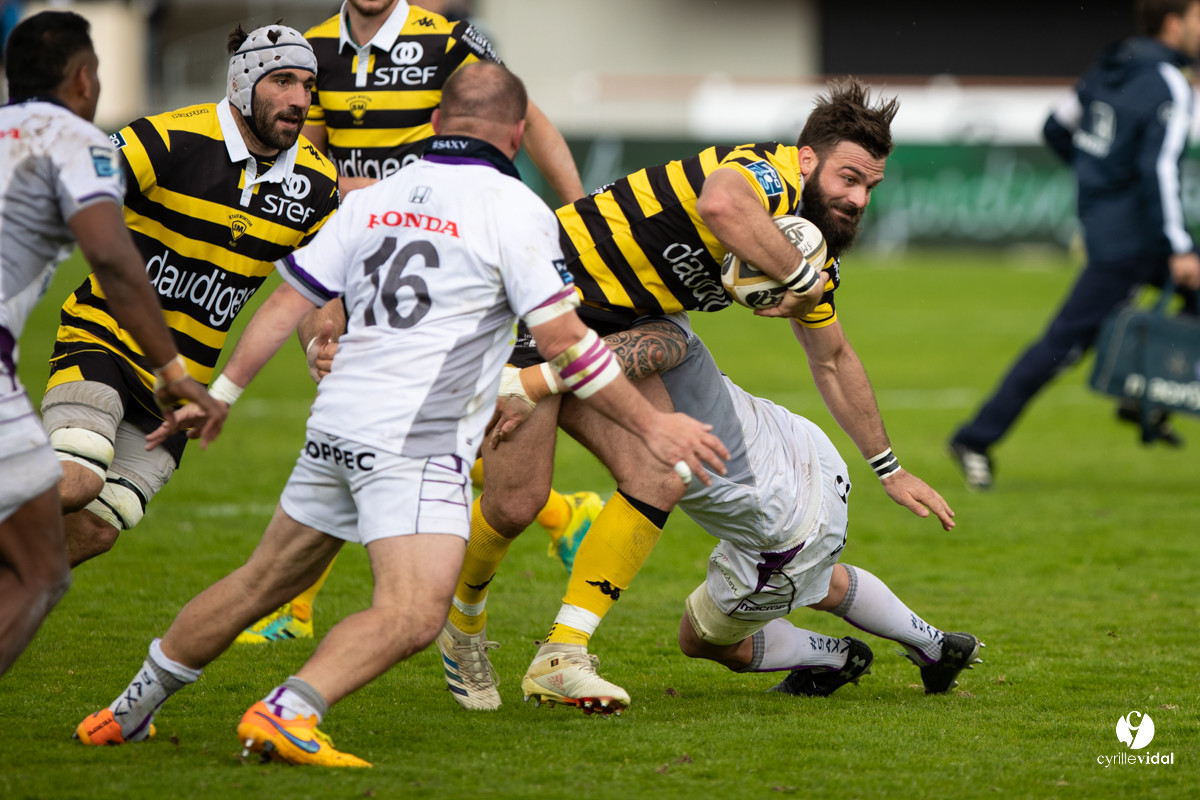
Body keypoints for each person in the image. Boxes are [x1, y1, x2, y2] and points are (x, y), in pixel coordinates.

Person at [72, 62, 727, 766]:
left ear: (438, 123)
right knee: (414, 614)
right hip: (415, 441)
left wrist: (222, 395)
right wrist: (654, 425)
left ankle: (125, 711)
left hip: (335, 421)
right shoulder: (516, 209)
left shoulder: (372, 199)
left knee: (262, 581)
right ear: (516, 133)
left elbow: (288, 302)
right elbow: (568, 342)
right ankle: (290, 710)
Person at [434, 78, 956, 713]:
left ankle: (562, 655)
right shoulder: (764, 173)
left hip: (610, 327)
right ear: (808, 158)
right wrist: (798, 279)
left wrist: (890, 468)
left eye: (870, 187)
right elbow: (721, 206)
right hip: (532, 294)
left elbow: (834, 358)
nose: (857, 198)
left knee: (663, 469)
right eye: (849, 178)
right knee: (517, 503)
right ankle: (460, 630)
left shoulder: (807, 247)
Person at [244, 0, 597, 645]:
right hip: (361, 246)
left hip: (436, 251)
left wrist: (581, 212)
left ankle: (289, 605)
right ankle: (563, 516)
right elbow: (308, 159)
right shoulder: (314, 50)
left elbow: (530, 120)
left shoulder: (449, 40)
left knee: (368, 419)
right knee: (365, 418)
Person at [509, 316, 982, 705]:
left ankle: (832, 658)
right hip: (801, 450)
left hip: (781, 519)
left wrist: (528, 377)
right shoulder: (648, 303)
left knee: (700, 638)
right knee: (813, 578)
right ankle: (936, 646)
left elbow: (607, 365)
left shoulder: (642, 332)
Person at [40, 23, 339, 566]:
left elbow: (314, 293)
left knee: (99, 527)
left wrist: (323, 345)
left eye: (308, 87)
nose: (300, 100)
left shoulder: (318, 185)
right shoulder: (166, 137)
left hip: (184, 387)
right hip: (104, 337)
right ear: (245, 82)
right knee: (76, 478)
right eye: (284, 82)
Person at [0, 10, 225, 677]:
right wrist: (173, 368)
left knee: (69, 524)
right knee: (40, 570)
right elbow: (114, 260)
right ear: (83, 79)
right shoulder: (81, 141)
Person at [948, 0, 1200, 491]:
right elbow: (1160, 168)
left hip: (1115, 229)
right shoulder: (1169, 81)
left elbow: (1056, 127)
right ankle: (974, 439)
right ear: (1174, 23)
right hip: (1137, 239)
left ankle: (1147, 393)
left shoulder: (1111, 64)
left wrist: (1098, 182)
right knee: (1063, 344)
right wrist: (1180, 245)